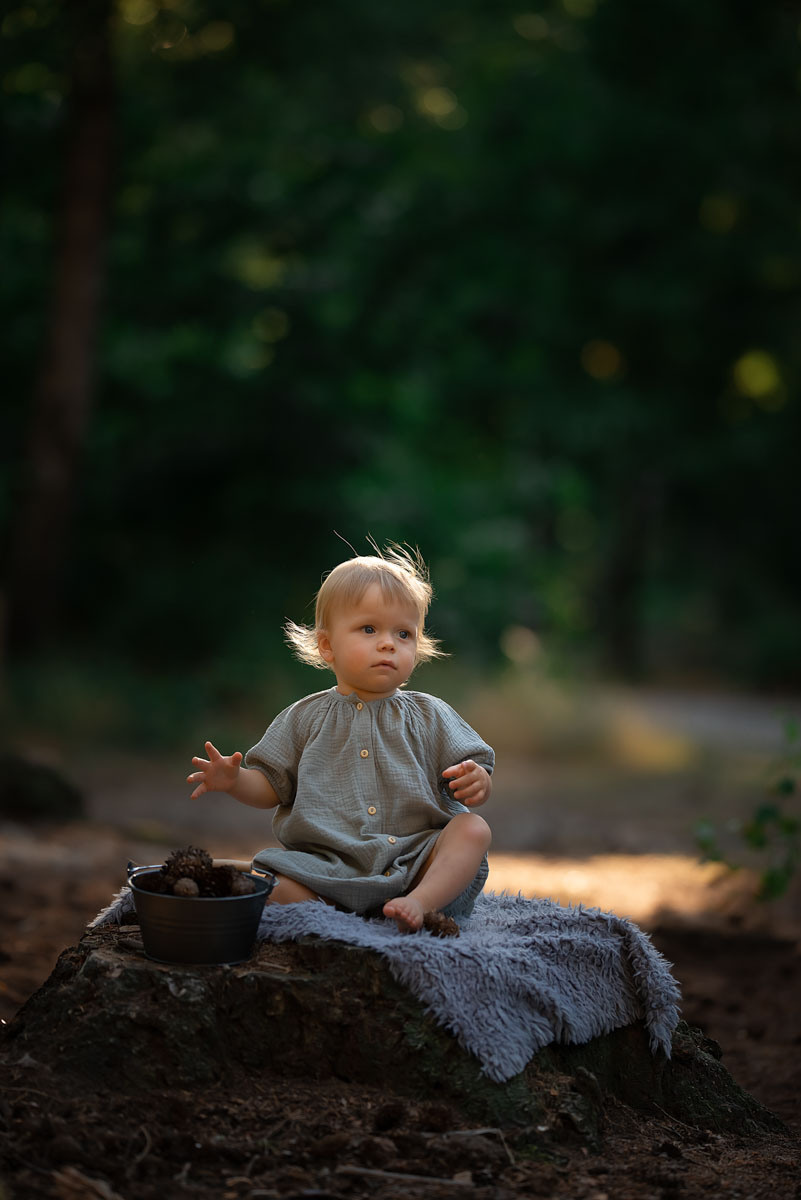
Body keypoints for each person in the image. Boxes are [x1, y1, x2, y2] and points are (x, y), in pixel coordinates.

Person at [187, 544, 493, 932]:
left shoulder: (431, 713)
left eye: (403, 633)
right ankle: (325, 912)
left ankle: (418, 905)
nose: (388, 643)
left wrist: (477, 780)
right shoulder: (304, 718)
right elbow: (271, 787)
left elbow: (475, 765)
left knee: (473, 830)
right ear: (327, 645)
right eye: (369, 629)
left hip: (418, 863)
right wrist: (234, 781)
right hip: (329, 867)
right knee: (270, 883)